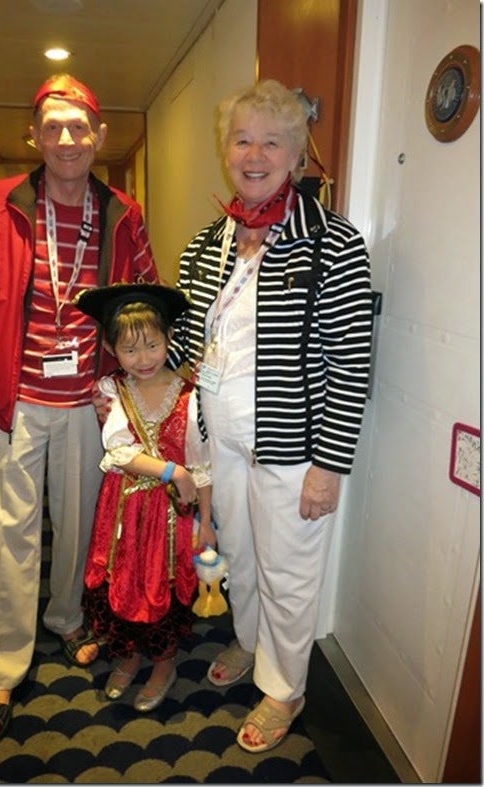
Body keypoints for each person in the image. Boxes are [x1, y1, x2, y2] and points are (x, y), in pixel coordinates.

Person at [166, 79, 373, 752]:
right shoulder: (206, 244)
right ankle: (250, 640)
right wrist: (132, 354)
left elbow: (351, 362)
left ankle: (284, 687)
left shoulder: (332, 242)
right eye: (242, 140)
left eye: (271, 142)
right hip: (219, 439)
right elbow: (185, 343)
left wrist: (328, 466)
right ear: (225, 149)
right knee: (239, 555)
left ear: (297, 156)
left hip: (292, 449)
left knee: (287, 572)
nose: (254, 155)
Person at [0, 74, 159, 743]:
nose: (66, 139)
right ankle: (4, 665)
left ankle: (66, 617)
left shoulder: (123, 213)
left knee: (77, 527)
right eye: (52, 127)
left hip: (86, 404)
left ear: (99, 136)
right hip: (13, 401)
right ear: (34, 136)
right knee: (9, 534)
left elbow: (145, 298)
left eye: (78, 127)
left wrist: (137, 389)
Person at [73, 283, 214, 712]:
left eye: (153, 345)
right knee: (122, 581)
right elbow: (118, 451)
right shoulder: (113, 390)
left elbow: (202, 465)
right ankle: (130, 656)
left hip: (170, 517)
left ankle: (163, 665)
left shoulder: (190, 395)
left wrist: (207, 523)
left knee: (162, 585)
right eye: (130, 350)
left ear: (169, 339)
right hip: (122, 510)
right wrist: (171, 470)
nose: (144, 358)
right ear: (111, 349)